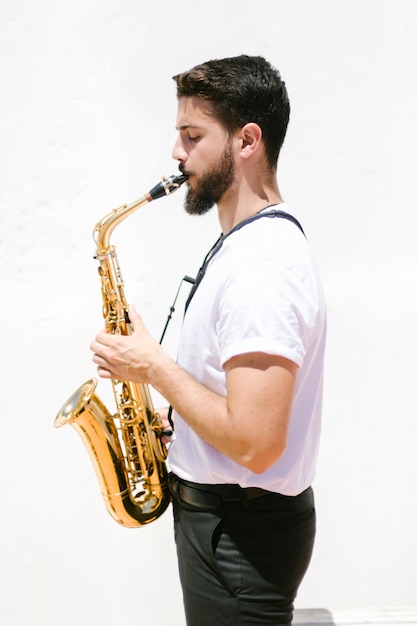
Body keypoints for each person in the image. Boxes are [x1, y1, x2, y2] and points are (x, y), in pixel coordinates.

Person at [90, 55, 326, 626]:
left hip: (239, 539)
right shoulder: (245, 246)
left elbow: (256, 443)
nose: (177, 154)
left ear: (247, 141)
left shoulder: (261, 268)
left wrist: (154, 369)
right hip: (228, 529)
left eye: (192, 136)